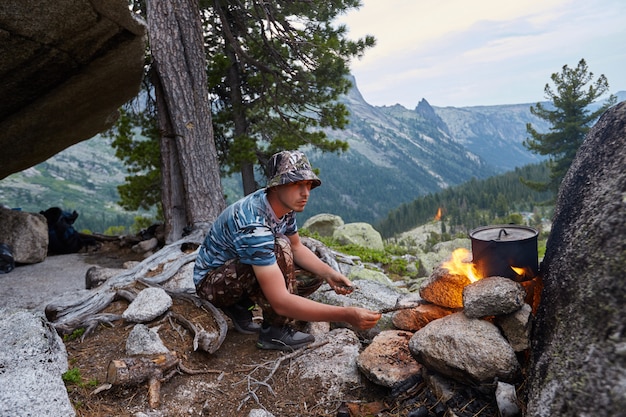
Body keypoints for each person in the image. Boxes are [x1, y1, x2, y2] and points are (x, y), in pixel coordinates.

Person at [194, 150, 381, 351]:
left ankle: (240, 306)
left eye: (308, 185)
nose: (305, 193)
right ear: (275, 187)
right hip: (212, 286)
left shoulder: (282, 206)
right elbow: (281, 301)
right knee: (279, 247)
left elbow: (297, 247)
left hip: (234, 274)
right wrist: (346, 314)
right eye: (296, 184)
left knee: (312, 273)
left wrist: (329, 273)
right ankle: (274, 332)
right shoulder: (253, 225)